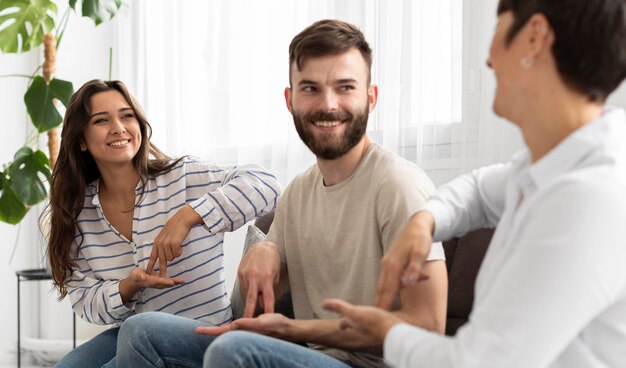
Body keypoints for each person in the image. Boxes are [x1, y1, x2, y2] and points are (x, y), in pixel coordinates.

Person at [115, 19, 447, 368]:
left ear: (371, 97)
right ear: (290, 100)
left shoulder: (399, 186)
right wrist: (266, 248)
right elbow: (259, 303)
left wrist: (296, 329)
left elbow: (429, 326)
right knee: (141, 331)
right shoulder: (299, 191)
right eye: (311, 89)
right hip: (309, 357)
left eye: (345, 87)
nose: (328, 104)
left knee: (234, 351)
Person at [323, 1, 626, 367]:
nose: (488, 59)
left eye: (498, 27)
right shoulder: (553, 161)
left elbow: (475, 363)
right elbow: (480, 190)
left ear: (534, 38)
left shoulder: (589, 197)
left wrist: (387, 331)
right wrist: (426, 221)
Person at [44, 79, 281, 367]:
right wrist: (127, 287)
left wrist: (187, 216)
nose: (118, 127)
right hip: (133, 335)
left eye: (126, 115)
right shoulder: (80, 214)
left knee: (132, 338)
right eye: (101, 120)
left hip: (202, 334)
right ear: (81, 139)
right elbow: (84, 300)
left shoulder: (183, 177)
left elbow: (266, 185)